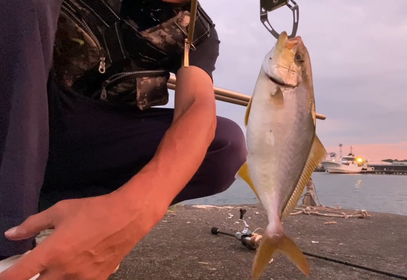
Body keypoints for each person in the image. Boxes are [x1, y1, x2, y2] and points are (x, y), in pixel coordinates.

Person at [0, 0, 247, 279]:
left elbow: (196, 108)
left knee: (224, 145)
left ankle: (76, 227)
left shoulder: (196, 32)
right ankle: (9, 246)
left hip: (81, 142)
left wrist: (128, 214)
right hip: (23, 109)